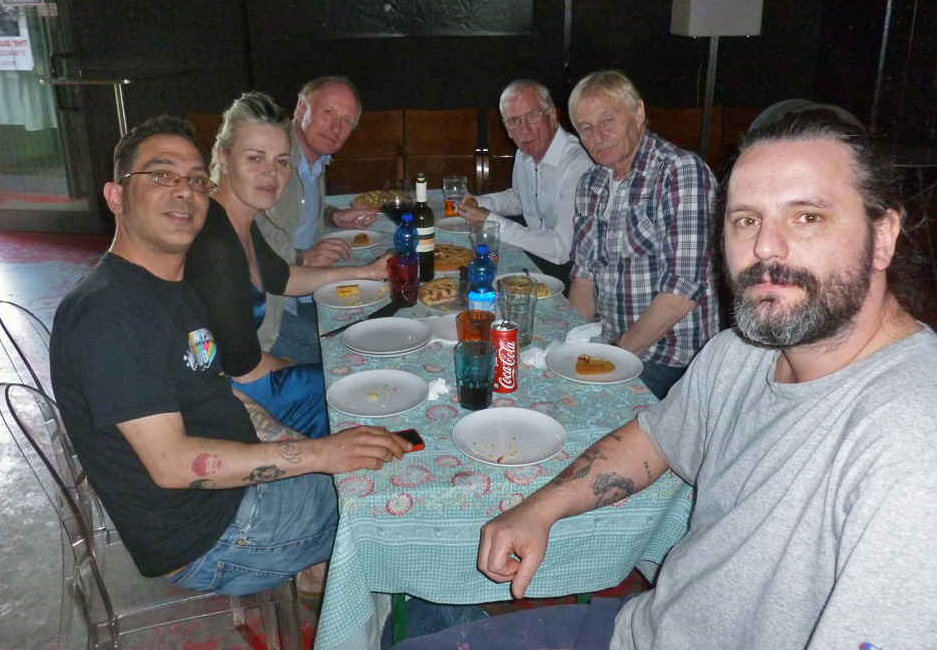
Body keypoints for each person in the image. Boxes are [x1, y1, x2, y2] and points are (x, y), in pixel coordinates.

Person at [393, 109, 937, 649]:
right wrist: (539, 508)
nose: (766, 247)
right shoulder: (740, 353)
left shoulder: (911, 448)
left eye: (807, 217)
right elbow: (654, 439)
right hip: (642, 627)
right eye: (746, 220)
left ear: (883, 236)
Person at [49, 115, 410, 596]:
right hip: (210, 535)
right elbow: (172, 464)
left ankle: (329, 577)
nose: (184, 191)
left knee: (378, 464)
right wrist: (321, 453)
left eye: (196, 180)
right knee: (398, 500)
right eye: (161, 175)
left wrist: (305, 445)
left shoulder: (171, 286)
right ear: (116, 196)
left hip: (235, 492)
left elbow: (224, 393)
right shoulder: (109, 314)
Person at [185, 92, 388, 438]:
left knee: (361, 369)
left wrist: (367, 271)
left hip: (252, 372)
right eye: (255, 158)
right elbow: (245, 368)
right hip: (234, 395)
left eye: (281, 161)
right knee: (360, 390)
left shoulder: (237, 217)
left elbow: (284, 277)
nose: (271, 174)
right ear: (223, 157)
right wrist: (305, 366)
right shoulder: (216, 244)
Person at [567, 70, 719, 399]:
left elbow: (681, 291)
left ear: (638, 112)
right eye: (586, 128)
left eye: (608, 120)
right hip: (612, 343)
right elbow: (584, 278)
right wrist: (567, 347)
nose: (598, 136)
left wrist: (614, 356)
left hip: (674, 362)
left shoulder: (680, 172)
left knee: (584, 407)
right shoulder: (591, 182)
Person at [255, 76, 375, 364]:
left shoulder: (315, 160)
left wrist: (332, 215)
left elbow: (294, 211)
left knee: (370, 321)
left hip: (301, 294)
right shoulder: (272, 161)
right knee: (347, 355)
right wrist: (302, 256)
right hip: (266, 312)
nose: (335, 128)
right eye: (328, 112)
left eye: (346, 121)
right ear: (301, 108)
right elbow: (245, 246)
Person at [458, 79, 592, 290]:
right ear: (506, 128)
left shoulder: (577, 164)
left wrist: (491, 222)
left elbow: (561, 249)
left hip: (573, 274)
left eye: (532, 116)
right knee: (468, 273)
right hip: (536, 257)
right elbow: (522, 198)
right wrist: (478, 203)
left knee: (480, 281)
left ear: (552, 115)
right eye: (514, 121)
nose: (524, 130)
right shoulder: (524, 153)